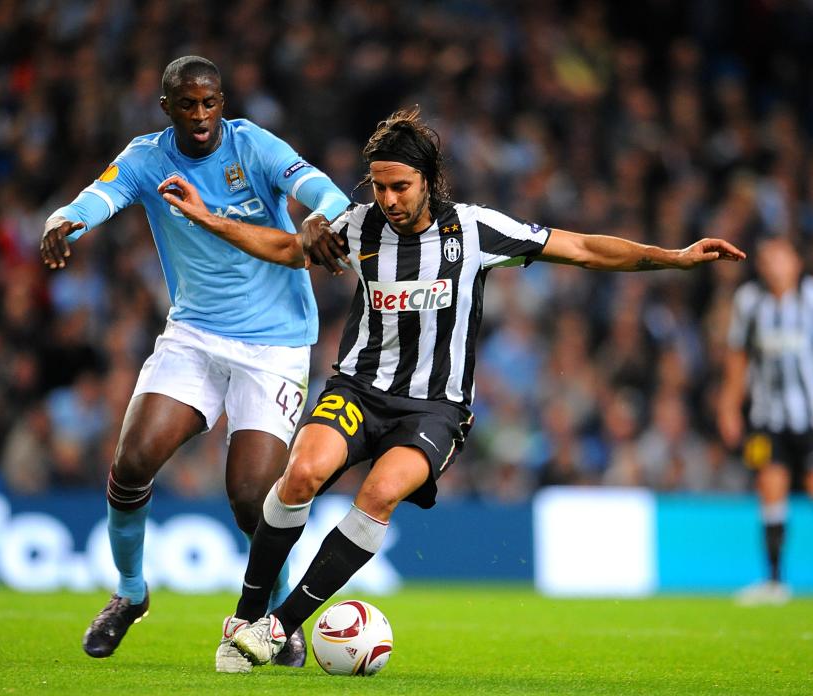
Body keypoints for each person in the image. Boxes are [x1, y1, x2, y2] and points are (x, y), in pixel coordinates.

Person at [159, 106, 746, 671]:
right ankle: (244, 615)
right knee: (303, 474)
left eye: (400, 187)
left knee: (381, 494)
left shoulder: (474, 229)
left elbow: (584, 248)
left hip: (436, 409)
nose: (387, 200)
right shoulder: (359, 225)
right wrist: (209, 219)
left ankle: (279, 626)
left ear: (429, 180)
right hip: (359, 388)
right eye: (379, 186)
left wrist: (674, 257)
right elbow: (287, 249)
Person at [40, 56, 350, 666]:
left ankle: (270, 616)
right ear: (167, 108)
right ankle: (130, 594)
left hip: (275, 345)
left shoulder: (253, 146)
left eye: (210, 103)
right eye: (188, 105)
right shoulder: (147, 157)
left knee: (250, 497)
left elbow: (326, 192)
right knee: (133, 461)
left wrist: (319, 216)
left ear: (223, 102)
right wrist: (64, 222)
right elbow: (97, 197)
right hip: (195, 336)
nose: (201, 115)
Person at [717, 235, 813, 605]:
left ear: (796, 261)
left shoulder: (809, 298)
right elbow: (737, 358)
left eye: (780, 256)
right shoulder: (749, 301)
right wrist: (729, 406)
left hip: (809, 417)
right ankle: (774, 582)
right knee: (769, 488)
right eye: (766, 258)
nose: (772, 264)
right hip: (766, 416)